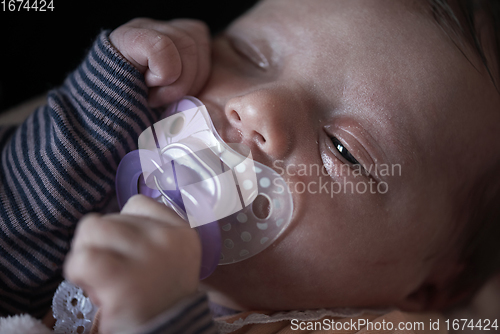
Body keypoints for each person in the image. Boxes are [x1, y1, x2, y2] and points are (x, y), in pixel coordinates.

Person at [0, 0, 499, 333]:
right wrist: (98, 109)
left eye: (344, 150)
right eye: (249, 54)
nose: (257, 106)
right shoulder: (94, 177)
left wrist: (160, 317)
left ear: (432, 284)